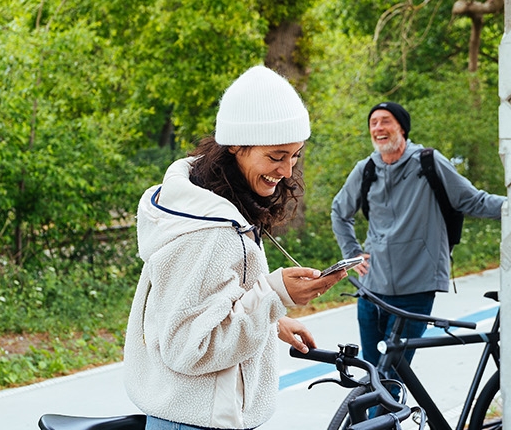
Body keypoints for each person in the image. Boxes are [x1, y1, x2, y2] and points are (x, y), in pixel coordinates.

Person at [123, 66, 346, 430]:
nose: (288, 171)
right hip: (198, 423)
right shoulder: (209, 233)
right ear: (236, 146)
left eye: (295, 156)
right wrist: (274, 296)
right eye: (276, 156)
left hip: (187, 415)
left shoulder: (204, 204)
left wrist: (273, 320)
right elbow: (188, 346)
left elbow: (206, 305)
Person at [330, 101, 507, 368]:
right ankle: (387, 412)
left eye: (385, 120)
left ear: (402, 127)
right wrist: (352, 254)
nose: (378, 127)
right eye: (373, 122)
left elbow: (473, 201)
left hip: (416, 287)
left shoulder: (428, 162)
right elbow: (339, 212)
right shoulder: (365, 169)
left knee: (392, 372)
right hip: (372, 289)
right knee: (371, 375)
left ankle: (386, 412)